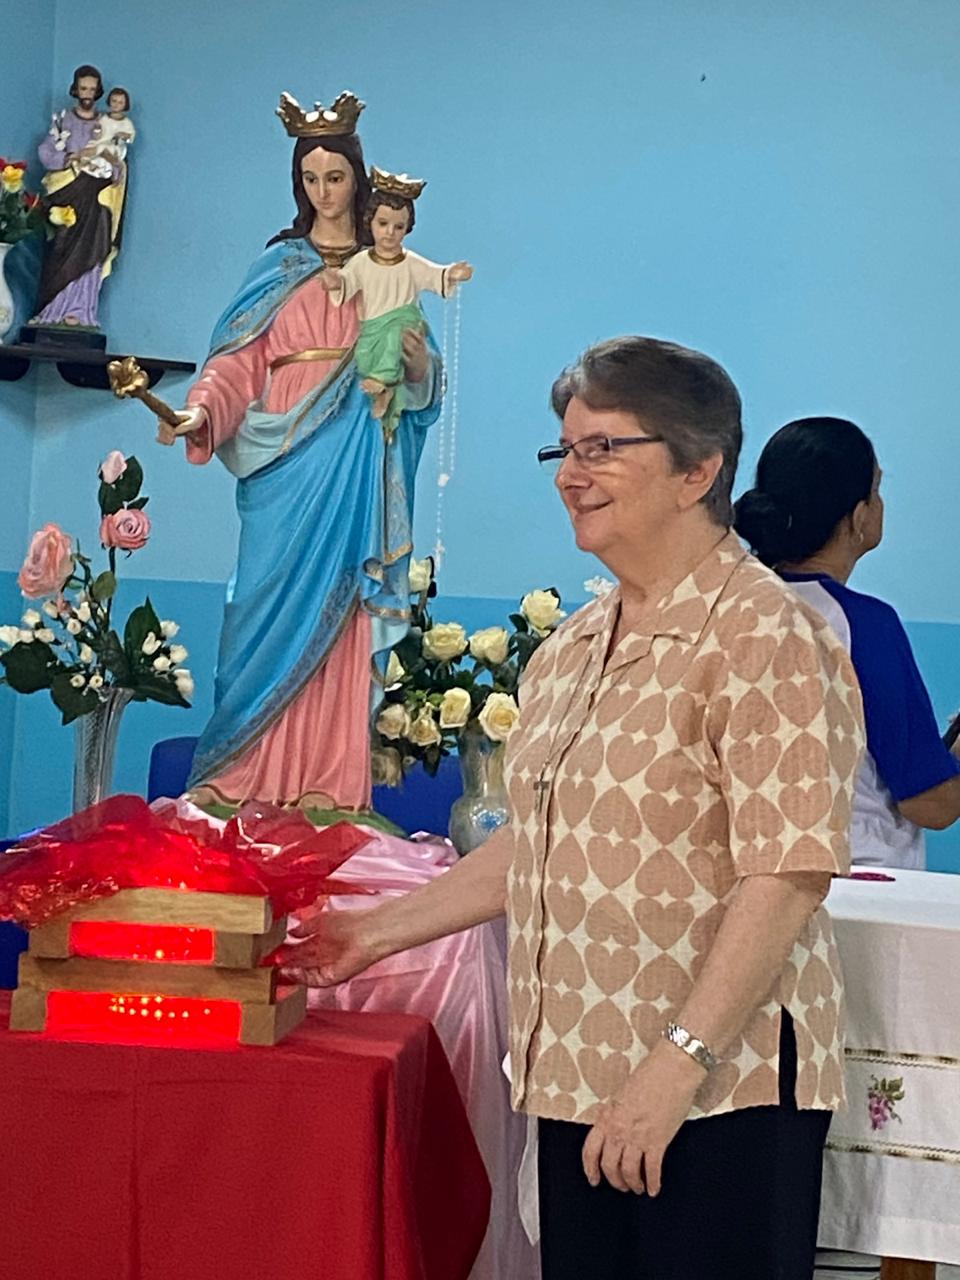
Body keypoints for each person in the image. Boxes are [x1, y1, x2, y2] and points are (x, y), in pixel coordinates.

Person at [277, 336, 865, 1279]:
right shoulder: (574, 648)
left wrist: (674, 1065)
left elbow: (786, 873)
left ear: (698, 471)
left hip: (721, 1086)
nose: (570, 475)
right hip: (578, 1073)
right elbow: (545, 845)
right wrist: (372, 934)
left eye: (603, 448)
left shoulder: (768, 635)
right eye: (565, 449)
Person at [157, 91, 442, 811]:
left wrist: (416, 367)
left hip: (357, 457)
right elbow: (235, 364)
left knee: (344, 616)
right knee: (258, 611)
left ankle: (329, 788)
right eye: (310, 178)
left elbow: (424, 379)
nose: (324, 192)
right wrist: (200, 411)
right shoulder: (278, 266)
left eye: (335, 177)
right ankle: (237, 777)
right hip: (281, 467)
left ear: (357, 177)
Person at [735, 416, 960, 870]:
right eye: (876, 490)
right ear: (858, 517)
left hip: (751, 870)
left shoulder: (734, 607)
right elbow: (931, 804)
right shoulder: (865, 625)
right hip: (859, 876)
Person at [321, 169, 472, 428]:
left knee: (395, 342)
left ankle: (385, 385)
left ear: (407, 229)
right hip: (373, 324)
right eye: (383, 224)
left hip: (403, 319)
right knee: (365, 354)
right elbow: (347, 282)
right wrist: (336, 282)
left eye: (398, 227)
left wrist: (452, 273)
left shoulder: (410, 263)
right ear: (370, 222)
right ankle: (386, 391)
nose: (390, 232)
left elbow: (434, 275)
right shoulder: (362, 261)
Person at [33, 64, 127, 328]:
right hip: (68, 193)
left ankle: (81, 310)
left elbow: (116, 161)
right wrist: (69, 158)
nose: (87, 93)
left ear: (98, 92)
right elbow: (46, 152)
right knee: (60, 248)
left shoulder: (106, 123)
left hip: (96, 197)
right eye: (83, 88)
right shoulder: (63, 120)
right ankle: (52, 309)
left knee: (94, 249)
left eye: (92, 89)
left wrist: (114, 166)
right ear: (75, 89)